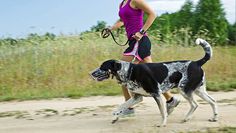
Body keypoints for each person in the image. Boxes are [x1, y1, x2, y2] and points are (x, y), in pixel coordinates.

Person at [109, 0, 180, 116]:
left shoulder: (136, 1)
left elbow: (152, 14)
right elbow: (122, 20)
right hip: (133, 43)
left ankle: (129, 108)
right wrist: (111, 28)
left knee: (121, 70)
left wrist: (141, 32)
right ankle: (171, 100)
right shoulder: (122, 3)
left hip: (140, 41)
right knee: (152, 75)